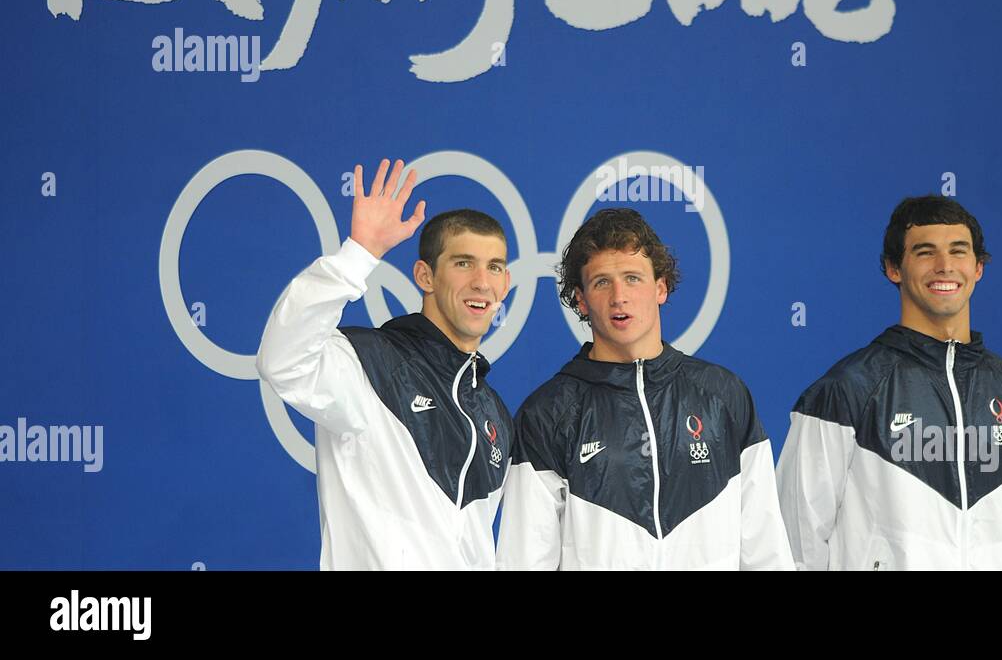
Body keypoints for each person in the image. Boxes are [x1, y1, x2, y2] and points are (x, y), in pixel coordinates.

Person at [496, 207, 793, 569]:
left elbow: (766, 551)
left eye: (633, 278)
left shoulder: (723, 395)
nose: (619, 296)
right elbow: (524, 559)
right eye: (602, 282)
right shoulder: (547, 414)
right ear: (581, 299)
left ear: (661, 288)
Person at [256, 159, 513, 569]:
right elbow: (282, 359)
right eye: (464, 263)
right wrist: (358, 254)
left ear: (506, 284)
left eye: (494, 267)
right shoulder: (369, 364)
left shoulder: (493, 413)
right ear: (425, 276)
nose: (482, 281)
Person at [776, 195, 1002, 570]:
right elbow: (794, 544)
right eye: (925, 253)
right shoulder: (846, 391)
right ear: (894, 268)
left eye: (959, 252)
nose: (944, 266)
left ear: (978, 268)